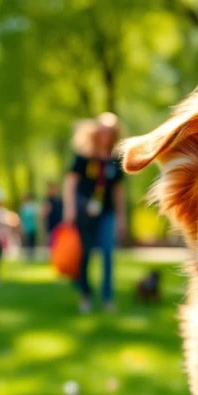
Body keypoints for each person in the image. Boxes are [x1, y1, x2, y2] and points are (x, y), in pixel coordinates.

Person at [63, 112, 128, 313]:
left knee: (108, 254)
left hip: (106, 213)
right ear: (96, 130)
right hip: (84, 214)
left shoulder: (116, 160)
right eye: (103, 129)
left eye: (110, 131)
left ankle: (108, 298)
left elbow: (118, 192)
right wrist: (70, 209)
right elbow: (70, 183)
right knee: (85, 255)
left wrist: (121, 218)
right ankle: (85, 295)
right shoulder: (84, 155)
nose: (106, 134)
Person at [41, 180, 64, 247]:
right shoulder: (47, 200)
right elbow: (44, 213)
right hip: (51, 224)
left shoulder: (59, 200)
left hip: (59, 223)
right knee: (52, 240)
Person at [19, 193, 40, 260]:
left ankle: (32, 255)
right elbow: (22, 219)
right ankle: (29, 255)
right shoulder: (24, 208)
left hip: (32, 227)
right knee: (28, 242)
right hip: (27, 228)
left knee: (32, 241)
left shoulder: (32, 207)